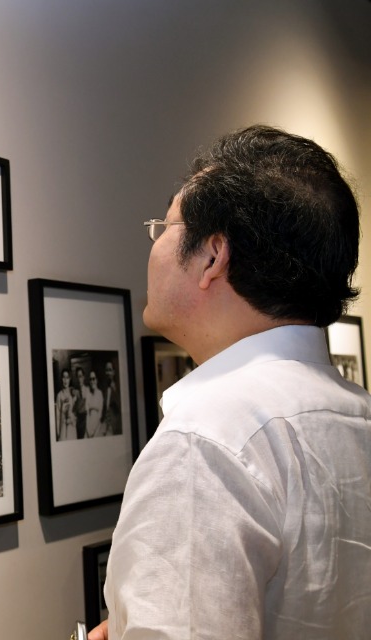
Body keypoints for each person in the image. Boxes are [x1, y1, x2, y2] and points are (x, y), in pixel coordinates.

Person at [91, 125, 371, 640]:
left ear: (213, 255)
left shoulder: (205, 443)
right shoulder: (360, 416)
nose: (153, 245)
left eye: (165, 226)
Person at [55, 368, 77, 440]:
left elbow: (76, 413)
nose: (65, 380)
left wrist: (72, 419)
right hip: (63, 428)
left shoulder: (73, 394)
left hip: (72, 428)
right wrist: (58, 433)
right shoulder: (59, 395)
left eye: (67, 377)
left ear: (70, 379)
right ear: (61, 379)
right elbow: (57, 416)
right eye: (64, 377)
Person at [84, 370, 104, 437]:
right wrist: (88, 430)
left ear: (97, 380)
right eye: (90, 379)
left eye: (93, 379)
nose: (92, 381)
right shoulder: (88, 394)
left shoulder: (100, 394)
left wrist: (95, 432)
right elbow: (87, 414)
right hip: (89, 425)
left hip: (97, 427)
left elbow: (100, 415)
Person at [73, 366, 89, 439]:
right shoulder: (75, 391)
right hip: (78, 422)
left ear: (84, 377)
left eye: (80, 376)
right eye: (77, 377)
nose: (79, 379)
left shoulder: (88, 390)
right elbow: (74, 408)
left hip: (87, 420)